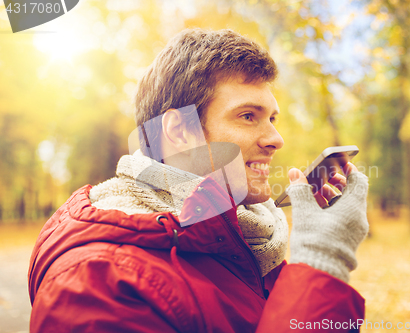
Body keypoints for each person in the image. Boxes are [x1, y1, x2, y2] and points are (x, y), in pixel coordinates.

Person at [28, 28, 369, 332]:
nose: (275, 139)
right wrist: (320, 267)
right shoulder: (98, 283)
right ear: (178, 131)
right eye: (248, 116)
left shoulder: (251, 244)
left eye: (272, 118)